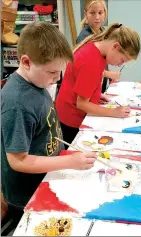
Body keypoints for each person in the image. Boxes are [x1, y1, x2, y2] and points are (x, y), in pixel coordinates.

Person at [1, 21, 97, 223]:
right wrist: (69, 162)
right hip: (28, 193)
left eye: (60, 72)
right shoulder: (17, 103)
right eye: (52, 73)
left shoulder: (36, 81)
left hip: (47, 175)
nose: (57, 78)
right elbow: (17, 160)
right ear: (26, 62)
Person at [56, 22, 141, 148]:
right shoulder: (91, 61)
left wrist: (95, 94)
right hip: (71, 120)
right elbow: (82, 103)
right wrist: (114, 112)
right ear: (116, 46)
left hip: (70, 111)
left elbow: (82, 82)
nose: (120, 64)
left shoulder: (97, 49)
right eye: (122, 60)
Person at [76, 0, 121, 93]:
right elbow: (86, 70)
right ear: (86, 14)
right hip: (88, 88)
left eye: (100, 13)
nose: (97, 17)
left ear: (105, 13)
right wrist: (109, 74)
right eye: (92, 13)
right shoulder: (84, 38)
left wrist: (108, 75)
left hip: (101, 85)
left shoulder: (103, 31)